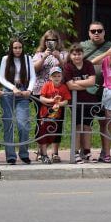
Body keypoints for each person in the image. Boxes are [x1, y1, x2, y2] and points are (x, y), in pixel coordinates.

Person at [32, 30, 67, 162]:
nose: (51, 43)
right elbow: (34, 69)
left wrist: (59, 58)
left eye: (54, 40)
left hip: (58, 92)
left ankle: (55, 152)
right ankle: (41, 151)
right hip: (40, 91)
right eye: (48, 40)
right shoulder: (39, 54)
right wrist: (44, 57)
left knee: (57, 121)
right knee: (41, 122)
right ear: (44, 41)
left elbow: (67, 69)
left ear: (58, 41)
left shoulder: (63, 53)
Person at [0, 38, 35, 165]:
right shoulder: (5, 59)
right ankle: (10, 156)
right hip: (8, 91)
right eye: (15, 48)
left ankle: (24, 153)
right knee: (8, 124)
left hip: (23, 91)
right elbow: (2, 78)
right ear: (11, 48)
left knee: (23, 125)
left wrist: (29, 90)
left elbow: (32, 77)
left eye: (19, 47)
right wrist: (12, 88)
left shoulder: (27, 59)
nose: (17, 50)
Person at [83, 21, 111, 161]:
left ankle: (105, 153)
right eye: (93, 31)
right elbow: (84, 64)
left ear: (104, 32)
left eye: (99, 30)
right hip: (87, 91)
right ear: (89, 33)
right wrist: (105, 55)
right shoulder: (83, 46)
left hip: (106, 90)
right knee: (86, 122)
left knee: (105, 122)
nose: (96, 33)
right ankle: (85, 152)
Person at [63, 44, 96, 164]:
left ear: (83, 54)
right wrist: (85, 84)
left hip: (89, 100)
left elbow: (92, 81)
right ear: (70, 55)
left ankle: (87, 152)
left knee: (87, 126)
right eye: (74, 54)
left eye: (79, 53)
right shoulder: (68, 67)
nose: (77, 56)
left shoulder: (88, 64)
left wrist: (77, 82)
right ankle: (75, 152)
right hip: (75, 101)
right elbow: (70, 85)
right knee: (77, 127)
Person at [35, 67, 70, 164]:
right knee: (43, 135)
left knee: (52, 136)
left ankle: (44, 153)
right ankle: (44, 155)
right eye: (54, 76)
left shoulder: (63, 87)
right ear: (50, 77)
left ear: (61, 77)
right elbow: (41, 98)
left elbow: (66, 100)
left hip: (56, 116)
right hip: (45, 115)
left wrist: (59, 104)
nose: (56, 78)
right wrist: (51, 101)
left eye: (58, 76)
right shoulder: (47, 85)